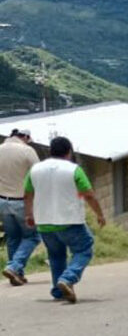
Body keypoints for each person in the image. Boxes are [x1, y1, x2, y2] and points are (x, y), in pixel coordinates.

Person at [24, 136, 106, 303]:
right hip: (70, 221)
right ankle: (68, 279)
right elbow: (88, 195)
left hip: (44, 222)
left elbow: (27, 194)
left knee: (56, 256)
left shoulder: (35, 170)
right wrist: (99, 214)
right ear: (69, 152)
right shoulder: (74, 169)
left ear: (50, 151)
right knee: (84, 249)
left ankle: (59, 291)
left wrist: (29, 215)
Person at [1, 129, 41, 286]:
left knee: (13, 237)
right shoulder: (27, 151)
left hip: (2, 201)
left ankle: (16, 275)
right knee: (32, 236)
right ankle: (14, 267)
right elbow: (38, 175)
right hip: (22, 201)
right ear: (25, 137)